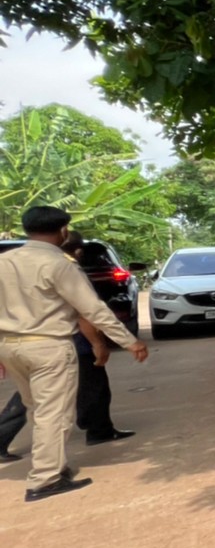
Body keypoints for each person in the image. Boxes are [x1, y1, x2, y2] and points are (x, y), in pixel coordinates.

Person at [0, 206, 148, 502]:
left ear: (27, 229)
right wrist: (129, 341)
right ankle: (45, 480)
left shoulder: (4, 261)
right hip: (48, 345)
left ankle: (52, 466)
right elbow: (90, 309)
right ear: (63, 231)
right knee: (54, 413)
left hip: (10, 346)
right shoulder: (60, 264)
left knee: (36, 408)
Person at [61, 234, 134, 447]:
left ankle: (95, 425)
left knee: (32, 393)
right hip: (73, 339)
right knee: (93, 385)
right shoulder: (69, 269)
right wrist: (100, 343)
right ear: (79, 251)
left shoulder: (18, 265)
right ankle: (98, 429)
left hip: (28, 341)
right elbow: (85, 313)